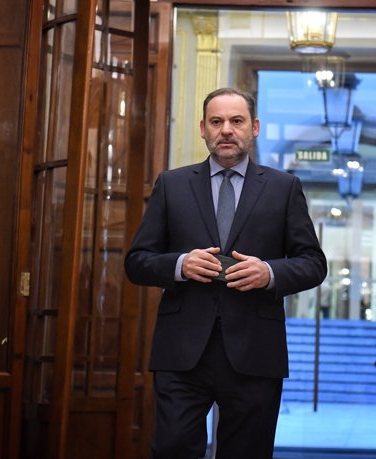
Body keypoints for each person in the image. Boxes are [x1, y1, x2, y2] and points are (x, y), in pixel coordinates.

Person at [124, 87, 327, 458]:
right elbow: (137, 261)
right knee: (171, 449)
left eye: (237, 121)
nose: (227, 130)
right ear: (203, 128)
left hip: (254, 351)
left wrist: (268, 272)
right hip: (182, 353)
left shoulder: (284, 188)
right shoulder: (172, 184)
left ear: (255, 127)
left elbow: (313, 263)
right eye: (217, 122)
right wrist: (180, 265)